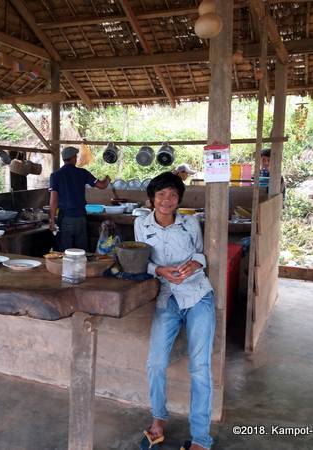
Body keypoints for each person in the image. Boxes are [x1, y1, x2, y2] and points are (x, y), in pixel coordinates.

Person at [134, 172, 215, 450]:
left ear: (179, 199)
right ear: (152, 199)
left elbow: (200, 254)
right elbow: (140, 259)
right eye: (161, 195)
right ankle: (158, 421)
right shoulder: (141, 225)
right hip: (166, 297)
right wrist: (158, 270)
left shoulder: (190, 223)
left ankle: (201, 440)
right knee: (155, 363)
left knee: (200, 368)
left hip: (197, 296)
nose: (166, 200)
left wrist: (195, 265)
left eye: (172, 195)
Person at [49, 146, 110, 251]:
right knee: (82, 252)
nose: (76, 158)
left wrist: (52, 220)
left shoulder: (55, 175)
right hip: (80, 219)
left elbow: (53, 200)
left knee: (64, 252)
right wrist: (107, 179)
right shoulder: (82, 173)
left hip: (65, 219)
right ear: (73, 158)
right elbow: (102, 185)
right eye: (76, 156)